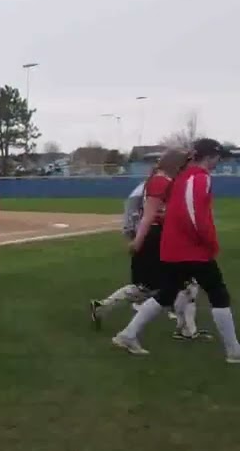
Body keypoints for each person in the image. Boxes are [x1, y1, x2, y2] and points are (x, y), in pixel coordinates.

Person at [112, 138, 240, 362]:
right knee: (218, 294)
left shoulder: (181, 177)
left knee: (167, 293)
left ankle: (127, 335)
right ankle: (234, 351)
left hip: (175, 247)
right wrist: (210, 242)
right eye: (217, 158)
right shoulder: (198, 177)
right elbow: (194, 214)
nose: (218, 162)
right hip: (192, 248)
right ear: (210, 156)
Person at [89, 149, 204, 337]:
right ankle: (183, 330)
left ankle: (186, 329)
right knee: (175, 284)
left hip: (160, 237)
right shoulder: (161, 181)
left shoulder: (163, 180)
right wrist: (137, 239)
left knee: (154, 287)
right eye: (185, 164)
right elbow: (150, 215)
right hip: (156, 238)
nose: (187, 168)